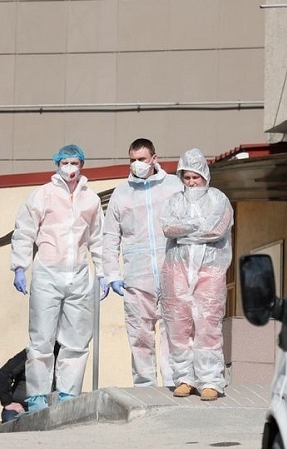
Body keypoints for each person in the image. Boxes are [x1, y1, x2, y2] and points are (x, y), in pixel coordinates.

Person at [9, 144, 107, 412]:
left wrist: (104, 273)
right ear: (57, 164)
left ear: (82, 165)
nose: (70, 168)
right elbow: (24, 231)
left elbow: (98, 238)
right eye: (65, 162)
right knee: (41, 338)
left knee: (77, 338)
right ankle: (37, 396)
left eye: (74, 163)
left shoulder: (92, 200)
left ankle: (68, 392)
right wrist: (20, 266)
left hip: (78, 273)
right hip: (47, 273)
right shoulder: (43, 195)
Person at [103, 138, 182, 388]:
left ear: (154, 159)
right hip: (137, 276)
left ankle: (174, 383)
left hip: (170, 269)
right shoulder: (122, 193)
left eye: (141, 159)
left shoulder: (173, 186)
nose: (136, 164)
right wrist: (112, 274)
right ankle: (145, 387)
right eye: (132, 160)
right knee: (140, 334)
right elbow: (110, 235)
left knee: (173, 332)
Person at [160, 148, 234, 401]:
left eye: (196, 177)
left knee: (207, 323)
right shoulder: (173, 201)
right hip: (177, 268)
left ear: (205, 176)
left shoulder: (218, 199)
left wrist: (185, 231)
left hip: (209, 268)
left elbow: (216, 230)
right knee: (179, 324)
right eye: (187, 178)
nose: (192, 183)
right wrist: (193, 227)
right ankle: (184, 378)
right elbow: (168, 228)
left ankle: (211, 380)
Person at [0, 343, 61, 423]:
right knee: (11, 422)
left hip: (50, 409)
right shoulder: (29, 354)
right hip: (22, 409)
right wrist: (7, 403)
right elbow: (3, 374)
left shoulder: (64, 357)